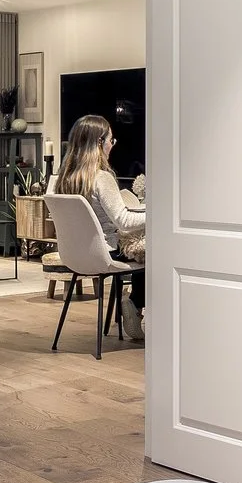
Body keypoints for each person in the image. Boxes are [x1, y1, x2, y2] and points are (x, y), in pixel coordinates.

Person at [61, 113, 144, 336]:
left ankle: (133, 303)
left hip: (77, 255)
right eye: (110, 140)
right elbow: (124, 221)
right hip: (108, 252)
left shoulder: (65, 178)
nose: (112, 145)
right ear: (99, 143)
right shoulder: (101, 178)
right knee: (154, 249)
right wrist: (160, 214)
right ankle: (136, 303)